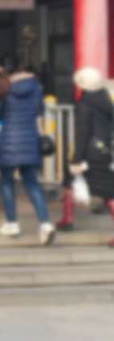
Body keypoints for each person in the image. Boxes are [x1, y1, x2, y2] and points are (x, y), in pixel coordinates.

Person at [0, 56, 55, 245]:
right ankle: (45, 223)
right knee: (32, 184)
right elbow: (39, 111)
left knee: (6, 182)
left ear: (3, 69)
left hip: (8, 140)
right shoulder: (35, 86)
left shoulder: (2, 85)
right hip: (30, 140)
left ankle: (12, 223)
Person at [56, 67, 114, 245]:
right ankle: (67, 218)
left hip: (90, 152)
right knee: (72, 180)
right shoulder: (106, 99)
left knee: (106, 192)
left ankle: (67, 219)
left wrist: (77, 159)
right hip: (105, 148)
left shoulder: (84, 104)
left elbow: (83, 134)